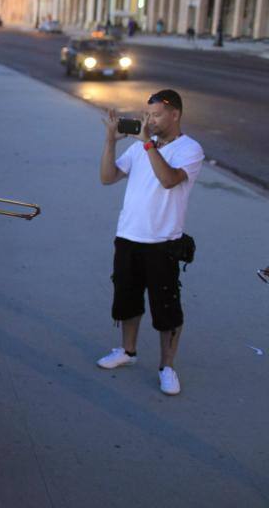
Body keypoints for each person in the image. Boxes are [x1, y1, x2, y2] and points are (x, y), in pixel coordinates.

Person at [97, 90, 205, 395]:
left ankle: (167, 367)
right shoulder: (141, 148)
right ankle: (127, 353)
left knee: (167, 307)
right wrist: (110, 140)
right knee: (127, 300)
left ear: (175, 115)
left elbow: (169, 179)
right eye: (148, 115)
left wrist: (146, 144)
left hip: (163, 242)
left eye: (156, 115)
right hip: (128, 237)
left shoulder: (190, 149)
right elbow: (107, 177)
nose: (150, 121)